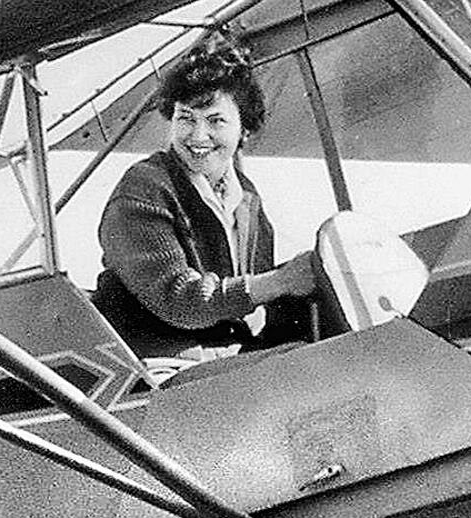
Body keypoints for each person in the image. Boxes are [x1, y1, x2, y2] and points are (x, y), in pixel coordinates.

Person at [91, 37, 317, 381]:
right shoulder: (144, 187)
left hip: (220, 362)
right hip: (152, 368)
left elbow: (253, 303)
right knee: (301, 366)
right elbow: (180, 301)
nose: (198, 136)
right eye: (186, 118)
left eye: (215, 121)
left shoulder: (247, 199)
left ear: (244, 129)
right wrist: (281, 281)